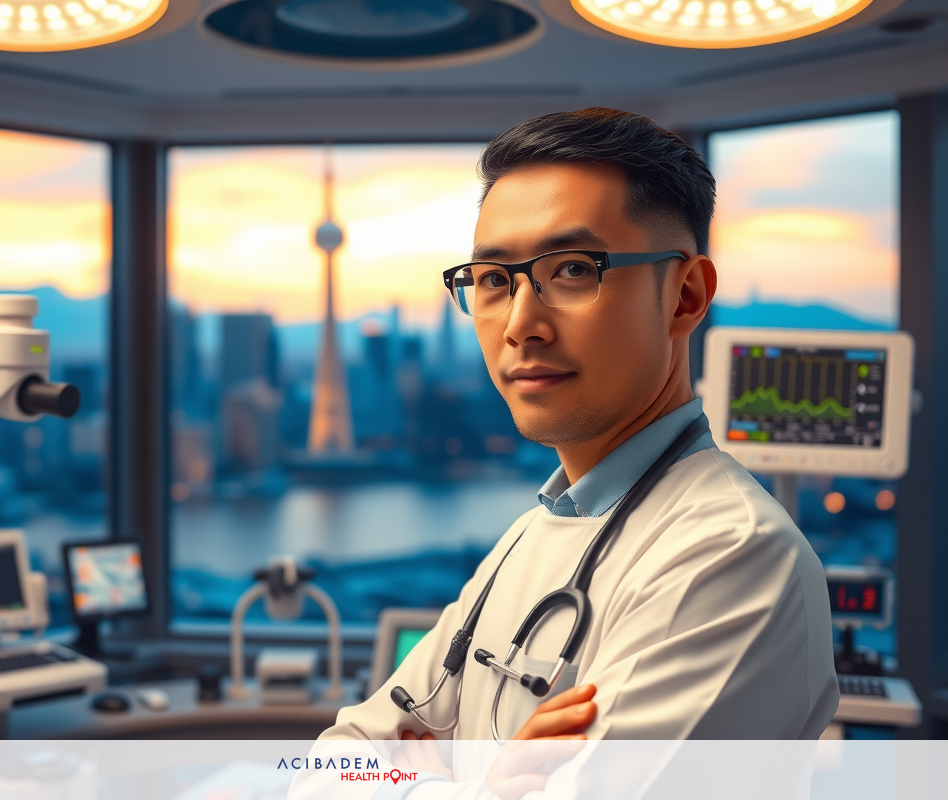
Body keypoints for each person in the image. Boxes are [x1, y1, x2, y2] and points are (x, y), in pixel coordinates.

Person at [320, 107, 838, 741]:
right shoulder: (532, 534)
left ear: (685, 297)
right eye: (492, 279)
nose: (519, 324)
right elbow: (336, 760)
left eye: (572, 269)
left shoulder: (732, 557)